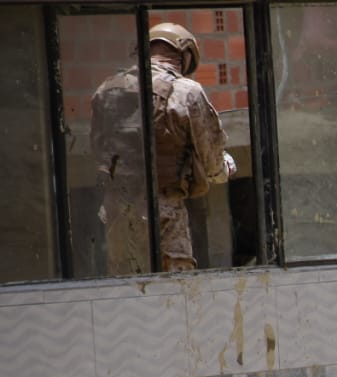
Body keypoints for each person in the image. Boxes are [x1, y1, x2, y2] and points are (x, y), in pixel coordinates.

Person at [90, 22, 236, 274]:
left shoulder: (106, 89)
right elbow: (212, 162)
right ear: (186, 55)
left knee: (125, 287)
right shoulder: (187, 91)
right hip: (164, 211)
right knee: (174, 289)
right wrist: (224, 167)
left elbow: (96, 148)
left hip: (116, 210)